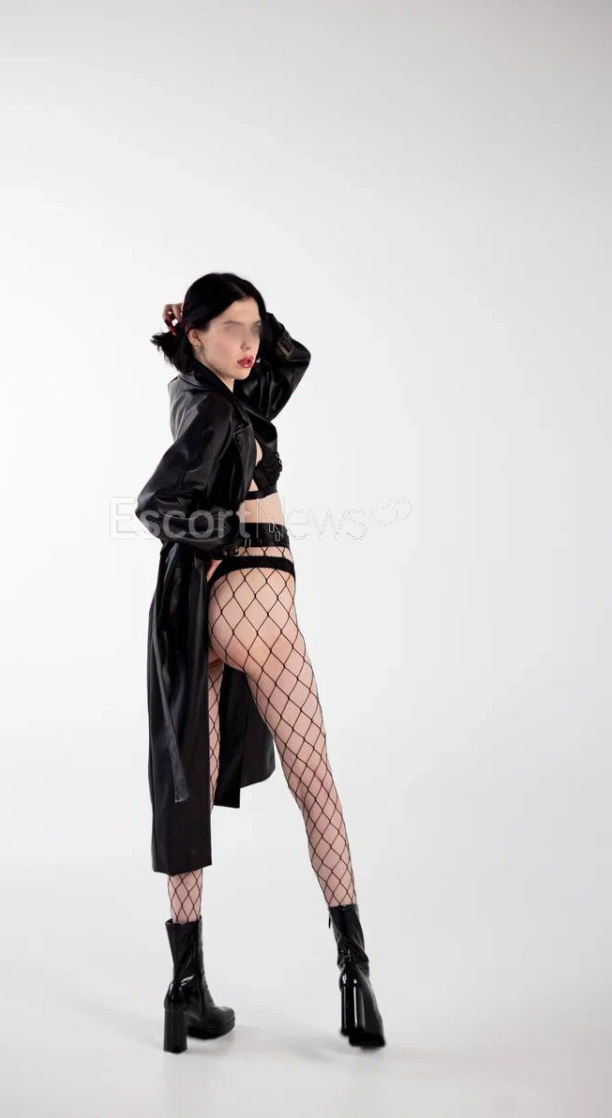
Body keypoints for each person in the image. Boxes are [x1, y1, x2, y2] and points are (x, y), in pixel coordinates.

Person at [135, 272, 385, 1052]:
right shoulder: (215, 410)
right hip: (256, 593)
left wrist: (221, 328)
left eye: (254, 327)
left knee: (191, 792)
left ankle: (185, 990)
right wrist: (223, 534)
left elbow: (289, 359)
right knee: (316, 783)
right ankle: (355, 975)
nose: (251, 345)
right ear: (197, 336)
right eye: (233, 330)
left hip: (200, 614)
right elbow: (154, 504)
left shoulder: (215, 396)